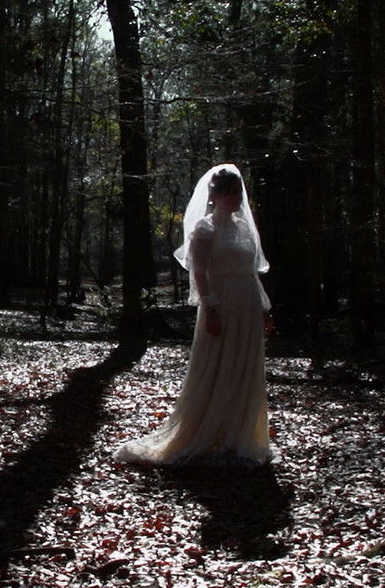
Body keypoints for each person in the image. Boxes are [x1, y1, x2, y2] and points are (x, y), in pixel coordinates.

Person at [114, 163, 275, 467]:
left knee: (245, 367)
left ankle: (237, 435)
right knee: (218, 366)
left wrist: (265, 308)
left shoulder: (243, 228)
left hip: (248, 302)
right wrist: (210, 308)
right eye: (229, 193)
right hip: (221, 302)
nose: (235, 199)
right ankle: (207, 432)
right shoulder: (204, 228)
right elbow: (199, 272)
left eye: (238, 193)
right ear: (214, 195)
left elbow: (253, 271)